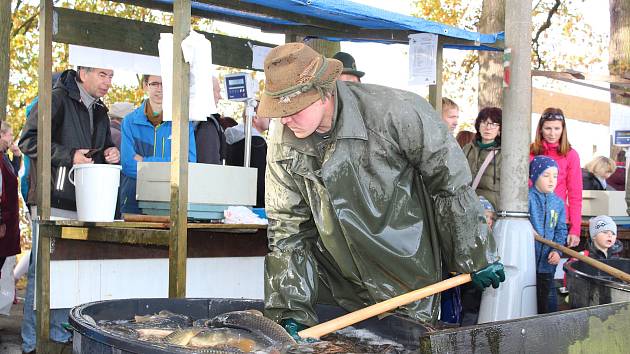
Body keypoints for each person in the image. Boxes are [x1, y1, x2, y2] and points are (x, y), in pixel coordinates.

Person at [257, 43, 504, 337]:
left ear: (325, 93)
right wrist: (290, 310)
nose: (284, 119)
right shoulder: (283, 141)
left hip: (408, 279)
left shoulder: (398, 112)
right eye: (278, 110)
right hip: (335, 283)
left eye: (292, 109)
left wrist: (475, 252)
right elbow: (288, 228)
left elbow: (449, 183)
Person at [18, 66, 120, 352]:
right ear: (83, 73)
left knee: (72, 274)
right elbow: (27, 140)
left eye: (111, 76)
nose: (108, 82)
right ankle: (31, 344)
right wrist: (68, 156)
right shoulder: (54, 99)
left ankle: (59, 338)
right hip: (52, 200)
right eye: (102, 75)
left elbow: (96, 152)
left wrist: (111, 153)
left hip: (86, 203)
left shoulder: (100, 111)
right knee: (43, 275)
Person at [120, 75, 197, 214]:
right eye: (154, 84)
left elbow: (187, 165)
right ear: (145, 86)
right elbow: (127, 165)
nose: (160, 89)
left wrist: (144, 161)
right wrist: (169, 165)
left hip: (170, 202)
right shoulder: (129, 121)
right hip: (133, 202)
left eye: (165, 84)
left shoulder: (183, 123)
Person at [530, 108, 582, 248]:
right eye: (548, 128)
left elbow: (575, 194)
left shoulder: (571, 155)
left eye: (557, 128)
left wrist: (575, 228)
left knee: (552, 261)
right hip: (532, 216)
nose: (552, 133)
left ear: (563, 129)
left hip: (557, 218)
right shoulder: (529, 152)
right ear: (540, 129)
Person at [528, 156, 567, 314]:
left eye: (555, 176)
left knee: (548, 299)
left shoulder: (558, 203)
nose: (552, 180)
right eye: (546, 175)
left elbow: (561, 230)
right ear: (535, 176)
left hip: (547, 263)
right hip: (528, 262)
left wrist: (557, 251)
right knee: (529, 299)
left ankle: (549, 328)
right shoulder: (526, 198)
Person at [225, 102, 270, 208]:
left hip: (234, 198)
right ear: (255, 117)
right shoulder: (257, 143)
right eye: (267, 113)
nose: (270, 117)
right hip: (254, 203)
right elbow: (260, 177)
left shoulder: (233, 140)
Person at [462, 107, 502, 210]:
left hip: (491, 212)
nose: (487, 128)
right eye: (483, 122)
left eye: (493, 124)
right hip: (468, 207)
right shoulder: (467, 149)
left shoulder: (504, 154)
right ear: (478, 126)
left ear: (500, 129)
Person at [0, 122, 20, 277]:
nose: (12, 138)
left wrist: (17, 157)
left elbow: (12, 177)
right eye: (10, 134)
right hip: (3, 222)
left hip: (8, 221)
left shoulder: (3, 156)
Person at [195, 76, 227, 164]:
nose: (220, 97)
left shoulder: (191, 120)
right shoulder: (207, 126)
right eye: (217, 91)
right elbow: (210, 166)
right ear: (207, 92)